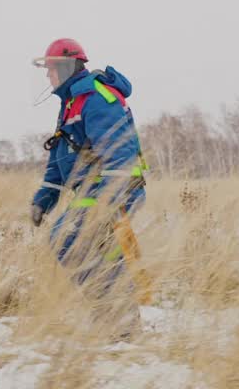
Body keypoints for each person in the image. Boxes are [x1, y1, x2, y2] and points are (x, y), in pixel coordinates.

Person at [30, 38, 147, 338]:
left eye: (51, 68)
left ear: (68, 66)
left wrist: (111, 199)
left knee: (66, 237)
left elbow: (119, 150)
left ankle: (116, 318)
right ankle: (121, 322)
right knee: (105, 253)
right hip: (91, 191)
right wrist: (44, 199)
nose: (47, 75)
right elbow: (60, 158)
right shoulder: (71, 103)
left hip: (113, 190)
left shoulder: (96, 96)